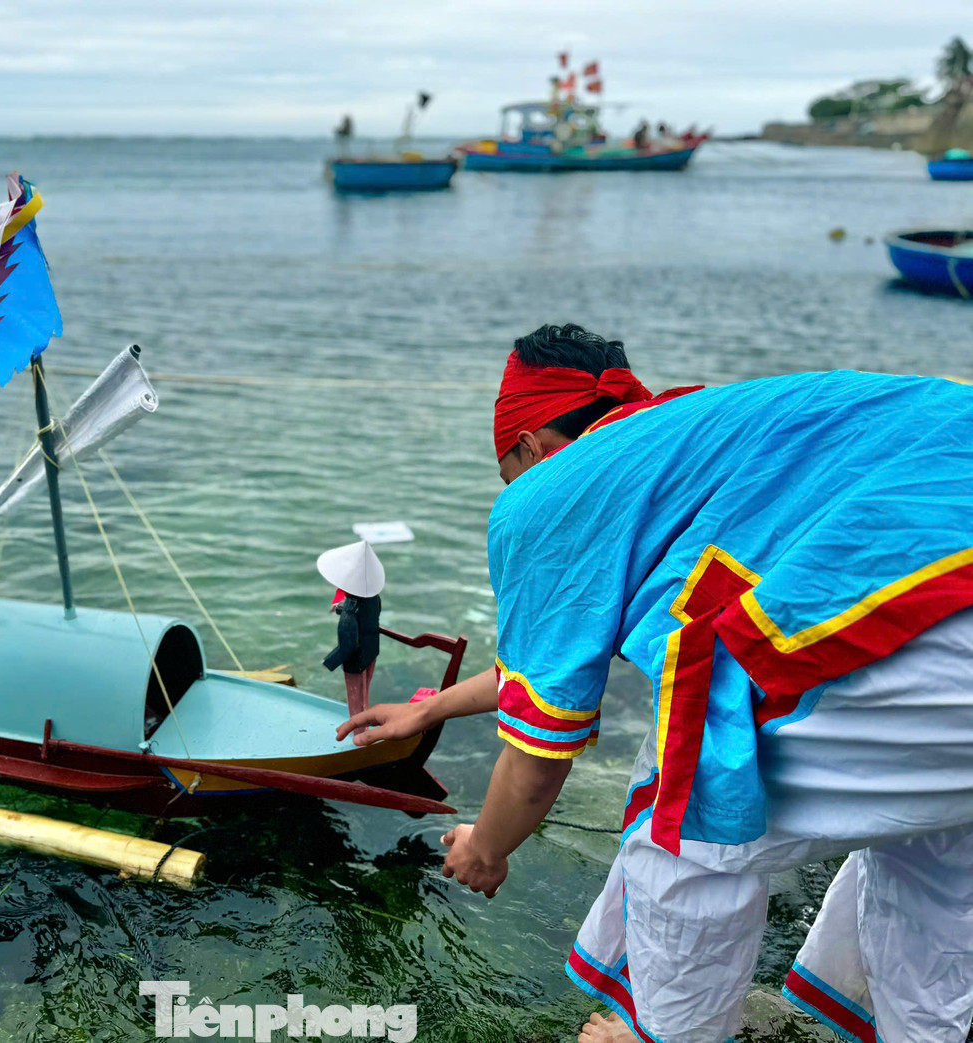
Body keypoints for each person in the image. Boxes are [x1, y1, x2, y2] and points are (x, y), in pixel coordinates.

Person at [338, 323, 973, 1042]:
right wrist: (425, 713)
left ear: (529, 446)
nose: (516, 490)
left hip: (946, 630)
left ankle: (661, 1033)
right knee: (930, 847)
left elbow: (539, 758)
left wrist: (486, 846)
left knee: (685, 818)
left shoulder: (548, 489)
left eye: (510, 471)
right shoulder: (686, 429)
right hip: (942, 557)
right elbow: (538, 669)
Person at [319, 540, 385, 735]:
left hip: (355, 660)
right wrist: (341, 607)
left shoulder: (349, 615)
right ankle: (367, 724)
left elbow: (348, 646)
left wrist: (328, 661)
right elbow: (364, 614)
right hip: (372, 651)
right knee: (365, 695)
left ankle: (359, 735)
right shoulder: (373, 598)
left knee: (355, 700)